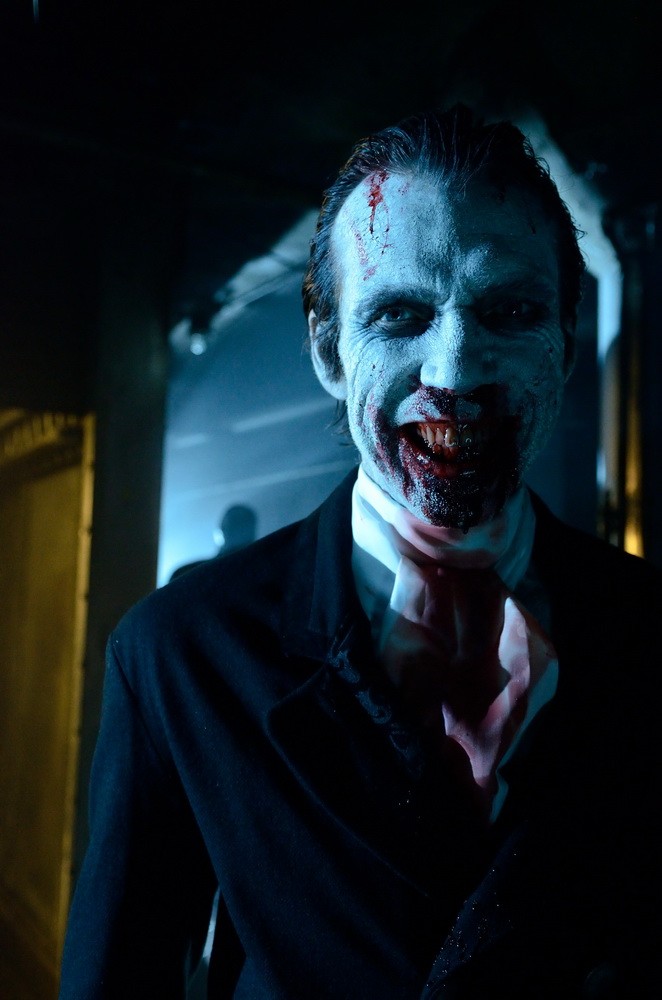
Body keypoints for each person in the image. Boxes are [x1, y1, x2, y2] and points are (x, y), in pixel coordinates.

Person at [59, 104, 662, 999]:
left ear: (565, 346)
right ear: (329, 352)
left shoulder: (651, 636)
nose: (454, 372)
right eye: (399, 315)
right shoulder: (182, 654)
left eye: (510, 311)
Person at [169, 503, 258, 581]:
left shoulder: (186, 573)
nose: (239, 533)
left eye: (243, 528)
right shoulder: (184, 574)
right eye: (237, 527)